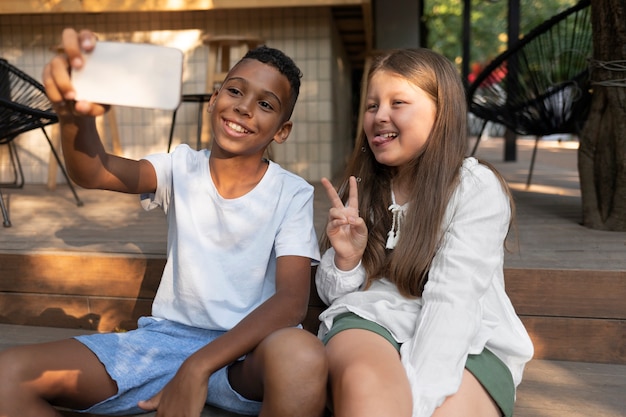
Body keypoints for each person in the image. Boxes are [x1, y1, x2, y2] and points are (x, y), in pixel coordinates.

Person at [0, 29, 327, 417]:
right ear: (213, 100)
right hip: (164, 345)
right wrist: (74, 117)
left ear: (282, 131)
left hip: (247, 353)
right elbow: (94, 171)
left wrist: (198, 365)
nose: (244, 108)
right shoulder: (180, 167)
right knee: (8, 375)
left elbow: (291, 304)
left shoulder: (292, 192)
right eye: (235, 91)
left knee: (302, 355)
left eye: (266, 105)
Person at [316, 48, 534, 417]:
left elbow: (453, 304)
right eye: (371, 106)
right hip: (374, 319)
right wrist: (346, 259)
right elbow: (332, 294)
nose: (380, 116)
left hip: (468, 337)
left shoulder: (473, 187)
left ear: (442, 113)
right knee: (366, 390)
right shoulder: (364, 187)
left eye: (397, 102)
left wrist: (415, 404)